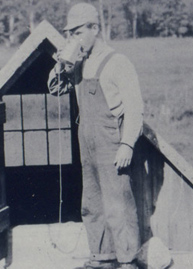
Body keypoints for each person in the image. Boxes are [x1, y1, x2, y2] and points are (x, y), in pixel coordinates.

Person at [48, 3, 144, 269]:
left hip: (111, 141)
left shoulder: (117, 62)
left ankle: (127, 260)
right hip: (86, 142)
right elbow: (54, 89)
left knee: (118, 203)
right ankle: (103, 257)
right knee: (91, 202)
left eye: (77, 32)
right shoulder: (77, 64)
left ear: (94, 28)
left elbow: (135, 107)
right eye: (69, 34)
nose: (73, 39)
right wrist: (61, 65)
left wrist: (127, 145)